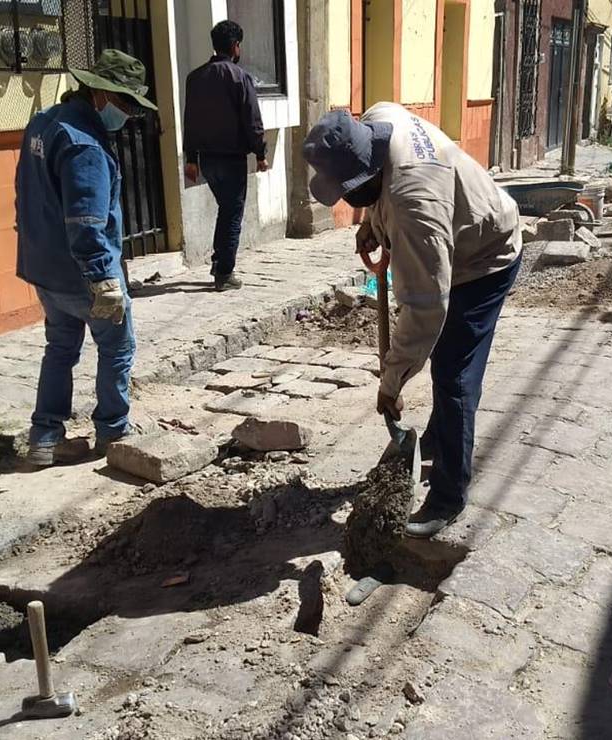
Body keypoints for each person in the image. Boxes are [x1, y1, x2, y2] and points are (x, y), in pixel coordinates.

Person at [302, 104, 522, 539]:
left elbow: (424, 309)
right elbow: (379, 193)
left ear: (369, 170)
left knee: (454, 373)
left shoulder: (415, 204)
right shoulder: (380, 118)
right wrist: (371, 222)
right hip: (453, 235)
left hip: (485, 257)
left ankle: (448, 495)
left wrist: (391, 381)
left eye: (350, 192)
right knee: (445, 359)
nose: (346, 200)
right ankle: (439, 443)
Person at [15, 50, 157, 467]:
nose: (128, 114)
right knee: (117, 347)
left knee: (60, 347)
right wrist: (104, 281)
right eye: (125, 103)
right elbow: (86, 222)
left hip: (44, 267)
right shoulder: (86, 146)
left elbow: (24, 191)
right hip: (82, 273)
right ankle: (113, 431)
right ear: (99, 93)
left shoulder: (43, 123)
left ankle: (45, 435)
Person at [183, 20, 268, 291]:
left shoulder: (195, 78)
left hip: (207, 159)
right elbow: (252, 120)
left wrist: (191, 158)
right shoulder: (239, 77)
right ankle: (224, 272)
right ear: (235, 46)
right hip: (231, 160)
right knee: (232, 213)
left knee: (225, 209)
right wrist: (261, 153)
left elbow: (190, 120)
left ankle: (219, 259)